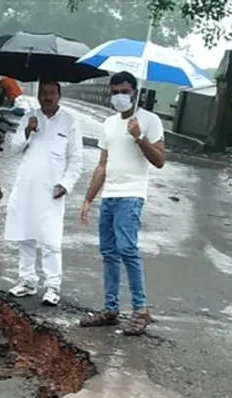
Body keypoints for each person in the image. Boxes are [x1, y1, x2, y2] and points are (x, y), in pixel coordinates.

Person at [77, 71, 165, 336]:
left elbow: (160, 160)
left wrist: (139, 137)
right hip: (110, 195)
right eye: (115, 92)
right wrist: (88, 198)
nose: (119, 97)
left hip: (132, 193)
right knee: (109, 253)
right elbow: (103, 164)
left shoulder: (150, 121)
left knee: (128, 249)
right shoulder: (110, 123)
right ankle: (110, 308)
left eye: (124, 92)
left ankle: (141, 310)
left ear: (135, 93)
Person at [3, 80, 83, 306]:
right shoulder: (30, 117)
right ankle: (27, 280)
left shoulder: (70, 122)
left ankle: (53, 286)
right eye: (43, 93)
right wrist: (27, 130)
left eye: (51, 93)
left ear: (59, 95)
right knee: (25, 234)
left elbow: (76, 159)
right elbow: (15, 147)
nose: (47, 97)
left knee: (50, 239)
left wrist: (66, 184)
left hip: (52, 190)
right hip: (27, 185)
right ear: (38, 96)